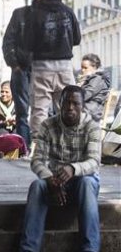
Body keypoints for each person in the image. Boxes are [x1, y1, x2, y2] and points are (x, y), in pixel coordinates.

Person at [19, 85, 100, 252]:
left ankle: (90, 248)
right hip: (55, 182)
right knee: (37, 186)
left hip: (81, 183)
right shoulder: (47, 125)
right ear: (59, 104)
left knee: (88, 183)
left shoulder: (92, 127)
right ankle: (28, 249)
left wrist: (73, 168)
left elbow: (94, 162)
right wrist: (50, 180)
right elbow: (37, 161)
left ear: (82, 106)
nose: (70, 107)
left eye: (75, 103)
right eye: (66, 102)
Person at [22, 0, 81, 141]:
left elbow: (27, 43)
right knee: (68, 107)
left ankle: (39, 147)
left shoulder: (33, 14)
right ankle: (70, 145)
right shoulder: (68, 12)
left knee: (40, 109)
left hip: (41, 67)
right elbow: (76, 39)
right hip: (64, 66)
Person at [3, 2, 34, 148]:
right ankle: (26, 148)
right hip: (26, 69)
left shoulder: (20, 15)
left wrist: (14, 65)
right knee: (25, 113)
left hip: (27, 69)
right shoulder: (20, 15)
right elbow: (8, 42)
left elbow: (8, 42)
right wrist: (15, 66)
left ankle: (26, 148)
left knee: (25, 114)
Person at [78, 53, 110, 125]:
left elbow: (85, 95)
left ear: (94, 67)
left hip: (90, 113)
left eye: (85, 68)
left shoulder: (97, 79)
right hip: (87, 111)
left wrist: (81, 85)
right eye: (82, 67)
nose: (83, 70)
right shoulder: (92, 79)